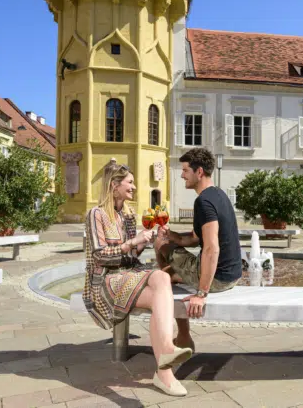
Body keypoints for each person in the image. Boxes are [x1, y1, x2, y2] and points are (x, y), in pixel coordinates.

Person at [83, 162, 192, 397]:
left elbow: (132, 255)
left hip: (128, 274)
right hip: (106, 281)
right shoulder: (96, 214)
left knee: (162, 278)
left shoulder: (129, 215)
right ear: (115, 185)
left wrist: (146, 241)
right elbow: (100, 256)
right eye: (129, 182)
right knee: (159, 279)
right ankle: (166, 361)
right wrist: (133, 242)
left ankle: (164, 367)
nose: (134, 187)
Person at [155, 148, 242, 350]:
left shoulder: (203, 202)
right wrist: (173, 236)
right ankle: (172, 276)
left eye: (185, 170)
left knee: (158, 244)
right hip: (233, 275)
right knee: (165, 241)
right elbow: (195, 239)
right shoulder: (218, 194)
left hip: (218, 279)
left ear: (199, 172)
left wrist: (201, 295)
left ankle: (168, 280)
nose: (182, 174)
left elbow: (212, 248)